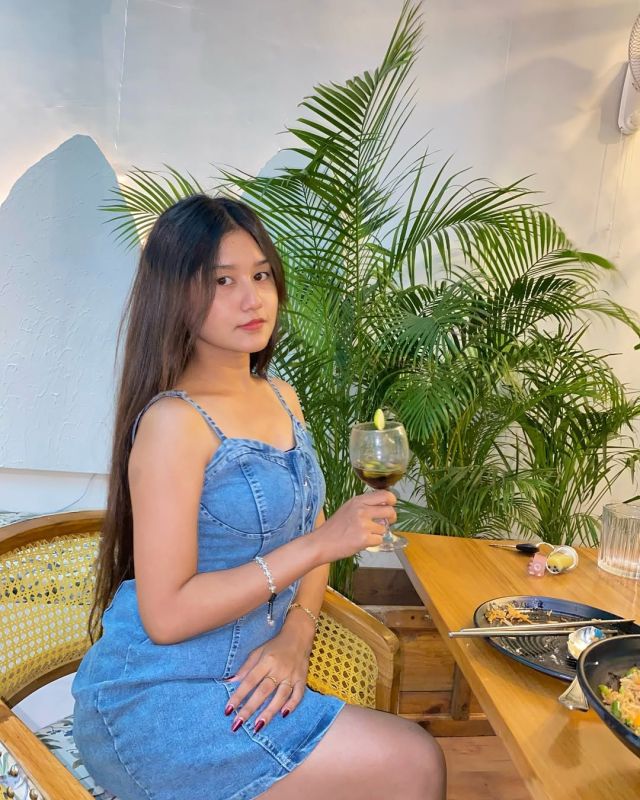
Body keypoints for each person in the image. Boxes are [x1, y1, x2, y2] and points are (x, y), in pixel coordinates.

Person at [72, 194, 446, 800]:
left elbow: (313, 526)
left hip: (253, 673)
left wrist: (296, 638)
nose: (253, 299)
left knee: (411, 760)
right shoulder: (174, 424)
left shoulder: (281, 395)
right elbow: (166, 617)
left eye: (261, 275)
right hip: (162, 699)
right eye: (223, 281)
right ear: (176, 294)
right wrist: (319, 546)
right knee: (414, 762)